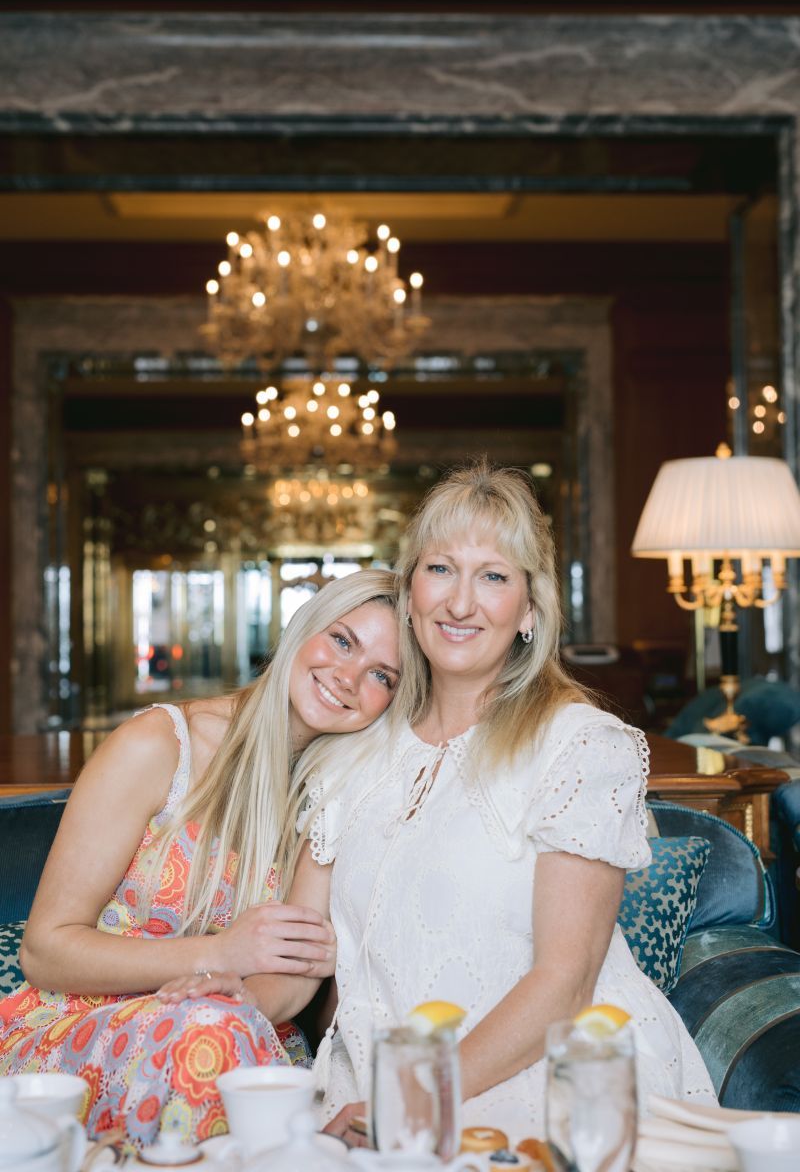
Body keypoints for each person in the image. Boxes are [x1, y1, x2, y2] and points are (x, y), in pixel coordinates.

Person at [260, 461, 716, 1145]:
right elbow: (294, 973)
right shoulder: (348, 754)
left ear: (530, 609)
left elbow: (566, 984)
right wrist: (194, 996)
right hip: (371, 1100)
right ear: (409, 592)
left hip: (554, 1088)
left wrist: (412, 1100)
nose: (461, 603)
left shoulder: (582, 747)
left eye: (494, 576)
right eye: (440, 569)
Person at [0, 568, 400, 1150]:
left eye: (381, 675)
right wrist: (219, 955)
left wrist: (242, 995)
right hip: (75, 1029)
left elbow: (298, 968)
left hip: (237, 1033)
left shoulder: (344, 788)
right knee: (206, 1037)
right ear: (302, 626)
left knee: (213, 1034)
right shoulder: (159, 744)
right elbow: (44, 950)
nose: (347, 676)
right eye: (342, 640)